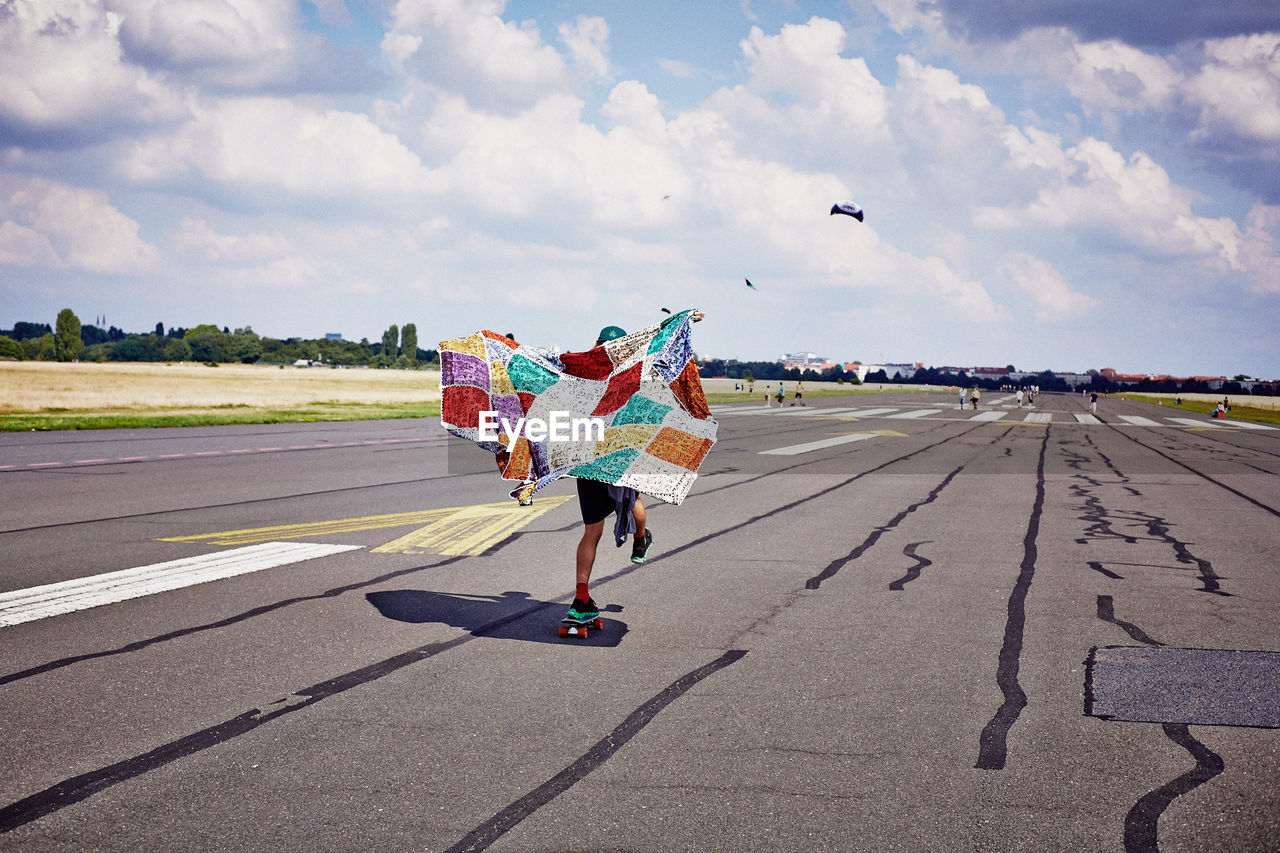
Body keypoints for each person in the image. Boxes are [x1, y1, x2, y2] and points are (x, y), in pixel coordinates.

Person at [566, 312, 705, 626]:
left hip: (588, 460)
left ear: (598, 346)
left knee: (591, 532)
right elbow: (663, 356)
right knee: (633, 502)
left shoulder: (583, 377)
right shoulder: (636, 376)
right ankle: (640, 539)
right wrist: (683, 321)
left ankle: (581, 597)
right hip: (619, 457)